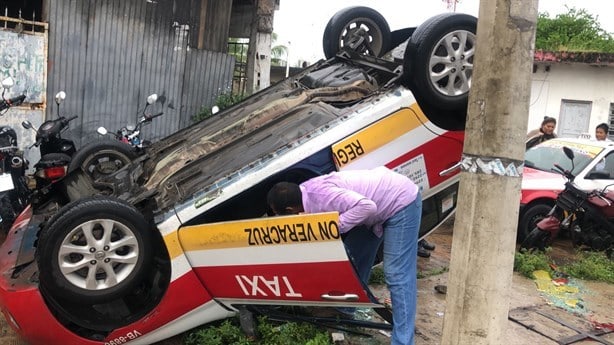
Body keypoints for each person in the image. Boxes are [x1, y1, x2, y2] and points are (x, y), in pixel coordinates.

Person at [267, 166, 421, 345]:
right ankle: (344, 310)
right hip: (376, 203)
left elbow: (367, 207)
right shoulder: (304, 194)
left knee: (397, 274)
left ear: (291, 209)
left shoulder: (321, 195)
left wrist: (335, 227)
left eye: (282, 215)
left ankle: (403, 341)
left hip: (400, 202)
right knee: (351, 261)